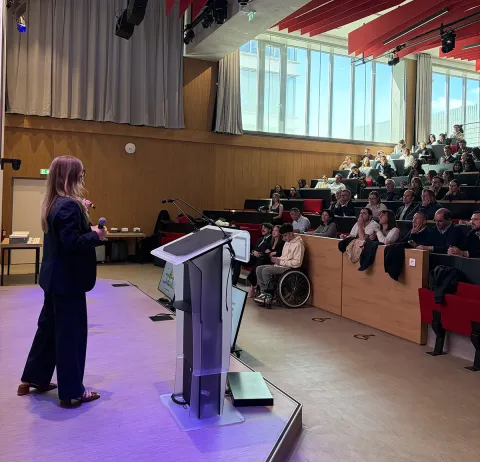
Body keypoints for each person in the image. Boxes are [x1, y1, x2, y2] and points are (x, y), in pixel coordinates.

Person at [18, 156, 106, 407]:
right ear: (70, 177)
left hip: (54, 281)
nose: (83, 178)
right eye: (80, 174)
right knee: (71, 336)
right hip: (68, 283)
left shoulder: (55, 202)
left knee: (47, 331)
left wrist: (82, 210)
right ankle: (72, 392)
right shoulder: (68, 206)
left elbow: (66, 233)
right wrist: (96, 235)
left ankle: (33, 379)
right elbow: (73, 243)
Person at [254, 223, 305, 303]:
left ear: (291, 233)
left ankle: (269, 293)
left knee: (266, 271)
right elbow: (284, 257)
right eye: (283, 236)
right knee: (259, 268)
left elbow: (297, 263)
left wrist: (280, 261)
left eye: (285, 236)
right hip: (281, 265)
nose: (283, 238)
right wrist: (277, 259)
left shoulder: (298, 245)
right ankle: (263, 292)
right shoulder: (287, 242)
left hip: (289, 268)